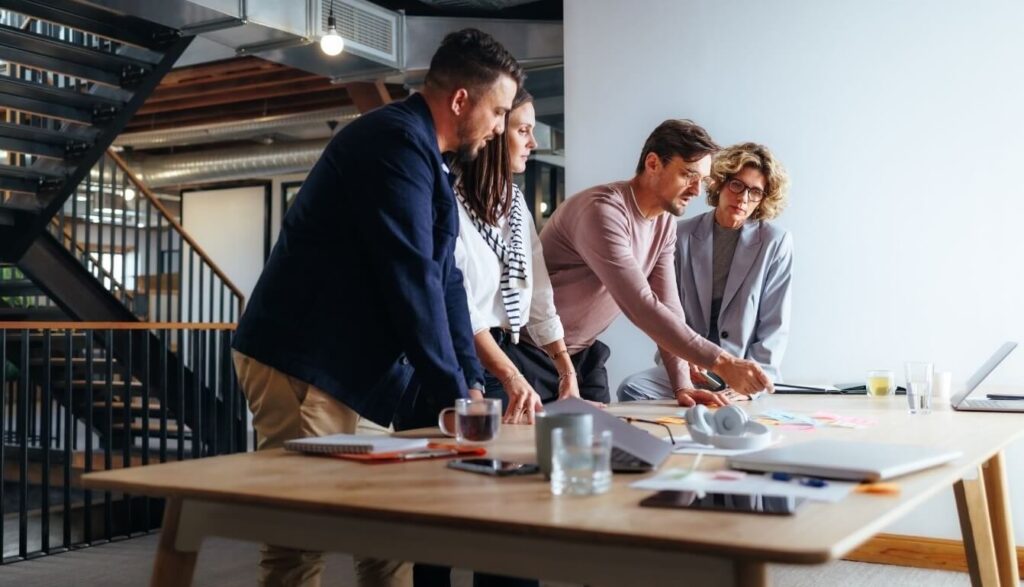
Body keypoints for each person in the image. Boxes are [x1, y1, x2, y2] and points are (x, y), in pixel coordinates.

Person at [230, 28, 522, 587]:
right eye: (500, 111)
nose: (501, 127)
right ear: (462, 100)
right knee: (301, 540)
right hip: (304, 361)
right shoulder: (391, 141)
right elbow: (409, 276)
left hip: (356, 373)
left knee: (389, 537)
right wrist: (453, 394)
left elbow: (447, 281)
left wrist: (470, 382)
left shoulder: (428, 158)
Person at [539, 121, 773, 408]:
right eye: (688, 175)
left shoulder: (664, 223)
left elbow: (668, 306)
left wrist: (682, 385)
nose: (697, 191)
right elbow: (641, 305)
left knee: (607, 446)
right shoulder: (603, 212)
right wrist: (722, 363)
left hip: (583, 354)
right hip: (532, 351)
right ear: (653, 163)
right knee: (524, 449)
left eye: (702, 180)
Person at [452, 87, 586, 426]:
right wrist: (511, 376)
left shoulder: (514, 203)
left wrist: (566, 371)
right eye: (523, 130)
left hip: (502, 355)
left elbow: (540, 296)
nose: (533, 143)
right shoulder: (449, 202)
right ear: (496, 132)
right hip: (459, 363)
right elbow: (460, 306)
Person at [617, 142, 793, 402]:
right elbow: (666, 313)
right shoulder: (681, 234)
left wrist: (750, 386)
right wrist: (683, 365)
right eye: (737, 185)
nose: (743, 198)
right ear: (719, 183)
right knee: (631, 389)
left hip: (741, 368)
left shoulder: (775, 242)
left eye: (755, 192)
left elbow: (774, 325)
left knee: (731, 412)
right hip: (691, 366)